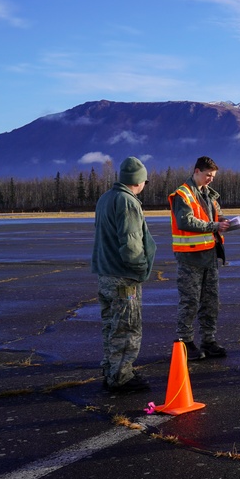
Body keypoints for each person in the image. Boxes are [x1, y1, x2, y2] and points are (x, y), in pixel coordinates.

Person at [91, 156, 157, 393]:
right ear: (138, 181)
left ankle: (111, 369)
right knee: (127, 326)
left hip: (105, 273)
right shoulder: (127, 201)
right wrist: (140, 268)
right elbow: (131, 244)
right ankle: (121, 376)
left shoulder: (105, 198)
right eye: (145, 181)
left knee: (110, 324)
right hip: (123, 276)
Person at [169, 156, 231, 361]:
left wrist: (224, 222)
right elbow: (184, 221)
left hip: (209, 256)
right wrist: (214, 226)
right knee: (189, 302)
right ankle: (185, 342)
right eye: (207, 175)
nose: (210, 179)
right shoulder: (183, 195)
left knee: (211, 302)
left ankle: (208, 340)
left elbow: (215, 216)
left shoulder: (209, 195)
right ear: (196, 171)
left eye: (213, 176)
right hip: (190, 259)